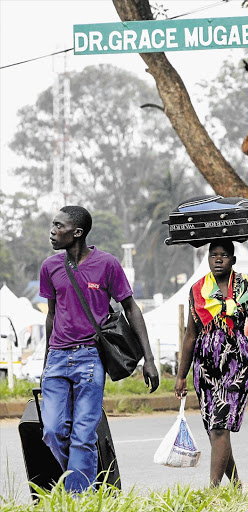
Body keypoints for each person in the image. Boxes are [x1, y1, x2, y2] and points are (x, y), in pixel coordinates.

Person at [40, 205, 159, 493]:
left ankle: (79, 499)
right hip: (57, 358)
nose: (52, 232)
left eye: (59, 226)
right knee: (53, 432)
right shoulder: (50, 266)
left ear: (77, 232)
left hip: (90, 358)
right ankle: (83, 482)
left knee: (83, 435)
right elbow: (51, 315)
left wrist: (149, 359)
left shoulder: (107, 264)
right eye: (53, 226)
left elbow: (131, 307)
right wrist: (45, 360)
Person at [174, 226, 248, 488]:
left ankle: (214, 491)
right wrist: (181, 375)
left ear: (233, 259)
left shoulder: (245, 286)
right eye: (213, 254)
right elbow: (190, 336)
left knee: (219, 427)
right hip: (204, 368)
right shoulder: (198, 290)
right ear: (207, 258)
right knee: (216, 431)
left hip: (234, 366)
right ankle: (236, 487)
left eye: (224, 255)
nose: (218, 259)